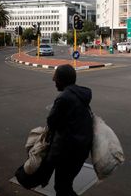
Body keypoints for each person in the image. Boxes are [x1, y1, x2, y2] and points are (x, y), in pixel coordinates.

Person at [46, 64, 93, 196]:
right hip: (81, 148)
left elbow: (51, 121)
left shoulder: (64, 98)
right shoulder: (80, 93)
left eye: (56, 78)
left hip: (69, 152)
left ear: (62, 79)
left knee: (62, 187)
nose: (54, 81)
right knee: (65, 185)